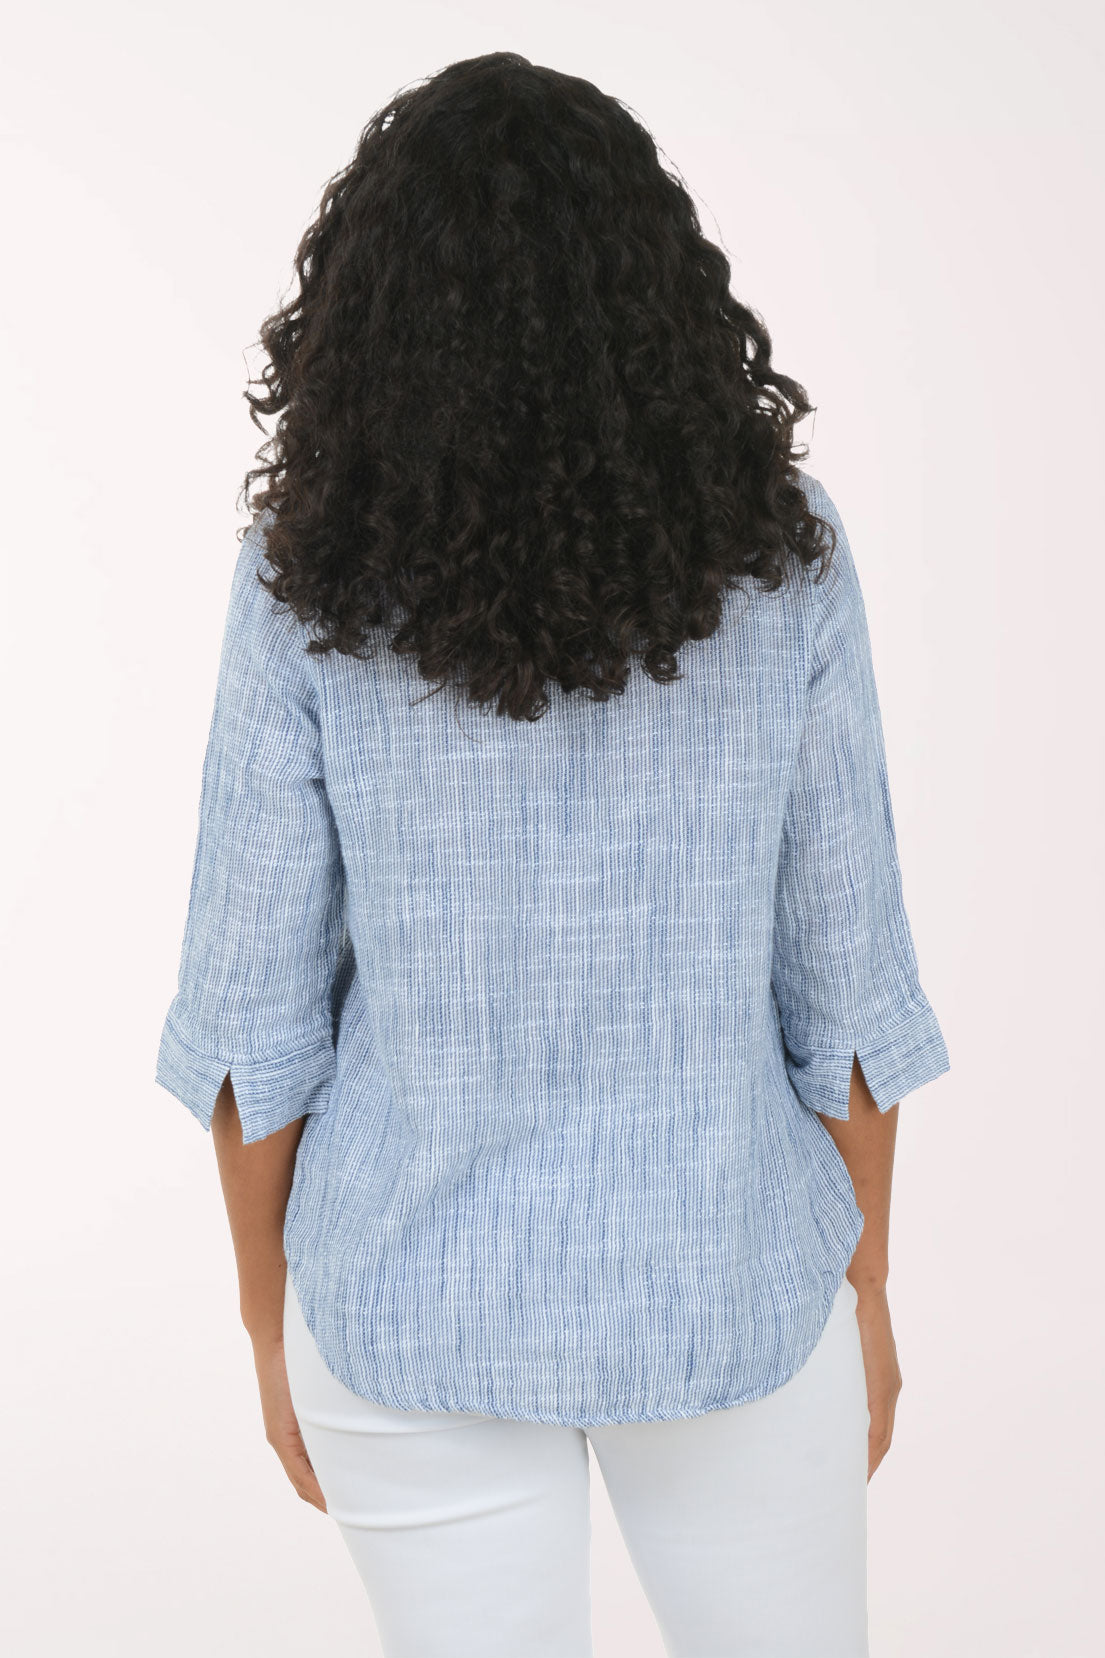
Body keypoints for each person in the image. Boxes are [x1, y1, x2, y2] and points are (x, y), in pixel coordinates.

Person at [155, 51, 950, 1658]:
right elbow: (847, 991)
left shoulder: (306, 579)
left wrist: (268, 1321)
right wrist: (861, 1289)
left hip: (400, 1299)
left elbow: (252, 1023)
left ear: (368, 318)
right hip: (733, 1280)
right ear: (656, 294)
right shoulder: (783, 559)